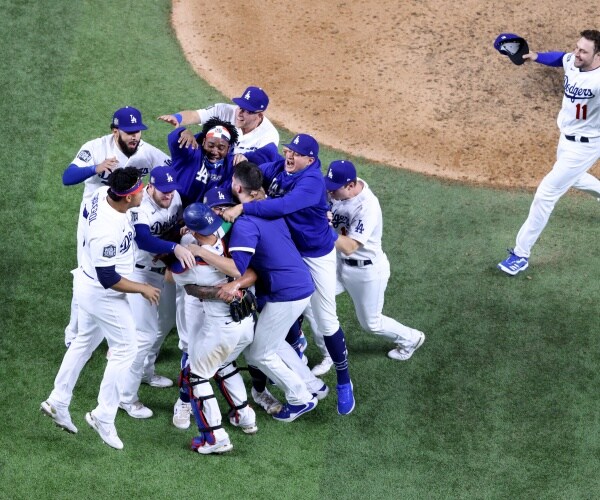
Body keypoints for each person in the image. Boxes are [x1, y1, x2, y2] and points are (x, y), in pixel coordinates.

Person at [222, 136, 356, 416]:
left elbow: (282, 207)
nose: (289, 157)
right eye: (287, 152)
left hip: (315, 255)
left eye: (295, 154)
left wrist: (242, 207)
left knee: (326, 319)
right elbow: (260, 166)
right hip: (290, 251)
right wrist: (239, 158)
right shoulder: (284, 168)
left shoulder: (312, 182)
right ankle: (308, 380)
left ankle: (344, 380)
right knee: (285, 318)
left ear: (310, 159)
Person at [195, 161, 326, 423]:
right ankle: (314, 385)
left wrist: (201, 252)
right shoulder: (269, 207)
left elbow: (235, 268)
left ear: (237, 187)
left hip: (285, 292)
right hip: (299, 285)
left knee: (259, 353)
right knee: (273, 344)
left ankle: (300, 397)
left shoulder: (246, 223)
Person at [41, 167, 161, 450]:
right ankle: (103, 415)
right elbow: (109, 279)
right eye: (139, 189)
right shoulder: (106, 231)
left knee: (84, 342)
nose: (143, 190)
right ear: (128, 197)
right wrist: (142, 288)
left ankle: (58, 400)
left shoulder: (100, 194)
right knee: (126, 349)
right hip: (101, 292)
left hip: (85, 281)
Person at [62, 107, 170, 346]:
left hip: (124, 218)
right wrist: (95, 168)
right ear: (115, 131)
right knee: (87, 274)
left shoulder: (147, 151)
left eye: (138, 131)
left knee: (122, 268)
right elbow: (67, 177)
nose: (135, 136)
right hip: (94, 220)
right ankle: (75, 333)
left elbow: (172, 170)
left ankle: (114, 329)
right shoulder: (96, 147)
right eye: (129, 132)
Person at [497, 30, 600, 275]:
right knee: (574, 178)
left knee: (546, 194)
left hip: (586, 147)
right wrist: (534, 56)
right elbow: (560, 58)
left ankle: (520, 254)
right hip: (565, 140)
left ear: (598, 56)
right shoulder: (573, 62)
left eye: (584, 51)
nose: (577, 53)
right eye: (577, 47)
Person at [308, 160, 425, 373]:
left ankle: (412, 338)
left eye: (334, 190)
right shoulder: (338, 190)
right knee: (312, 303)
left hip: (366, 271)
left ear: (351, 185)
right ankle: (330, 354)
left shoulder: (367, 206)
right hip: (338, 265)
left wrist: (323, 229)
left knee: (371, 324)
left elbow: (350, 246)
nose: (330, 193)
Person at [171, 203, 258, 455]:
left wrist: (185, 250)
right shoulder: (229, 237)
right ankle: (245, 416)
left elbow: (180, 283)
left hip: (222, 329)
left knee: (196, 377)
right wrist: (235, 287)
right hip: (246, 325)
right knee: (223, 365)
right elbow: (251, 271)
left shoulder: (189, 264)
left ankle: (215, 437)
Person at [118, 166, 196, 419]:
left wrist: (182, 231)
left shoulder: (176, 197)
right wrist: (174, 246)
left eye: (171, 191)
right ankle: (125, 398)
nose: (168, 196)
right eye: (163, 192)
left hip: (162, 271)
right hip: (138, 272)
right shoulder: (140, 206)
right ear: (150, 186)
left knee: (164, 323)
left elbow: (176, 223)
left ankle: (145, 372)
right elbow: (144, 239)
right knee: (145, 333)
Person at [158, 85, 279, 164]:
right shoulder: (223, 110)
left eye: (247, 111)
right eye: (240, 107)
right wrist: (177, 118)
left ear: (259, 115)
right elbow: (195, 115)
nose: (240, 113)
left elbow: (265, 159)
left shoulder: (269, 135)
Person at [167, 118, 239, 207]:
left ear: (228, 148)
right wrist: (182, 131)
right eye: (211, 145)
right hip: (171, 204)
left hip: (201, 213)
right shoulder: (192, 151)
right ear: (204, 141)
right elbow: (173, 140)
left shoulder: (230, 165)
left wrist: (243, 159)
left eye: (221, 148)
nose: (215, 151)